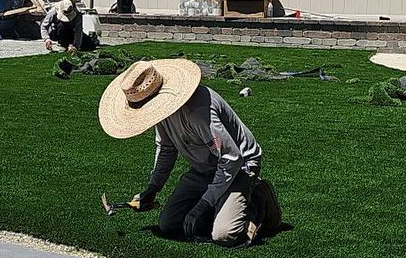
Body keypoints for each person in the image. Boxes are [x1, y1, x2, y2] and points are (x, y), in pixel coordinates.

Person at [98, 58, 280, 246]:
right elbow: (166, 149)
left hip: (239, 167)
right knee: (169, 224)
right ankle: (221, 205)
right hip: (205, 169)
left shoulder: (198, 112)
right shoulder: (163, 113)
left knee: (224, 234)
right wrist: (152, 189)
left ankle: (257, 199)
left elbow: (231, 158)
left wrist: (203, 204)